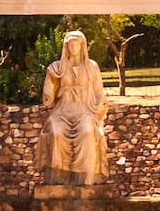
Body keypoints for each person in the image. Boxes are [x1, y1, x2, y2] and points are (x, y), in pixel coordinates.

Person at [36, 30, 108, 186]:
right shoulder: (58, 67)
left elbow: (98, 91)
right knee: (56, 133)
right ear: (66, 47)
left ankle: (85, 178)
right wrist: (50, 80)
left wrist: (101, 102)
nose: (74, 47)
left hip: (84, 111)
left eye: (77, 44)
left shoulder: (91, 67)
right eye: (70, 44)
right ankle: (57, 178)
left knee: (88, 132)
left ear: (82, 46)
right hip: (62, 112)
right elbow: (49, 96)